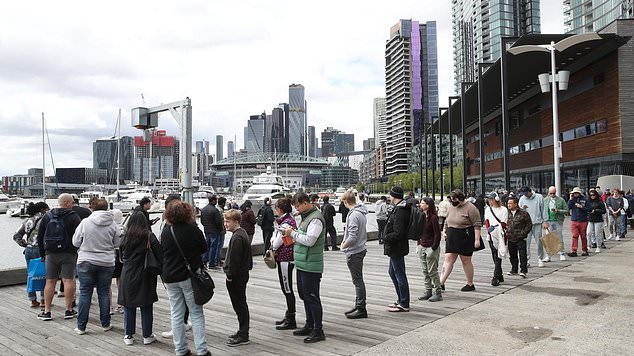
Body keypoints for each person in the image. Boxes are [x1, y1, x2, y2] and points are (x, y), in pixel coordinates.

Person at [161, 201, 210, 356]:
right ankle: (202, 350)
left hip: (169, 276)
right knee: (195, 312)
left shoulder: (166, 230)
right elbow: (204, 248)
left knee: (176, 313)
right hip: (188, 275)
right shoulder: (193, 229)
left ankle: (180, 349)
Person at [72, 198, 122, 334]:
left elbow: (75, 242)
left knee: (85, 293)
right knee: (104, 292)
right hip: (106, 261)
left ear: (92, 208)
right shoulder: (112, 224)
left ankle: (81, 326)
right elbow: (117, 244)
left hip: (86, 260)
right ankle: (105, 324)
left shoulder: (85, 222)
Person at [283, 192, 326, 343]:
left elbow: (310, 241)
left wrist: (292, 234)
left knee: (312, 297)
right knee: (304, 295)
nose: (297, 209)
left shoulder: (315, 219)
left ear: (306, 203)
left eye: (298, 206)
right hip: (302, 263)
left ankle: (318, 330)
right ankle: (309, 324)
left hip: (311, 265)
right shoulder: (306, 217)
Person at [118, 211, 162, 345]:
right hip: (145, 272)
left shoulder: (125, 237)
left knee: (129, 305)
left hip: (128, 273)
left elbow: (120, 257)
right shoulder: (149, 236)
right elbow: (160, 254)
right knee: (146, 304)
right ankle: (147, 335)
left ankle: (128, 335)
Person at [36, 193, 82, 321]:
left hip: (50, 253)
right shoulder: (73, 217)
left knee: (50, 281)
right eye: (72, 202)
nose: (73, 205)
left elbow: (40, 237)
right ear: (67, 203)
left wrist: (42, 253)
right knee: (68, 280)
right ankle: (68, 310)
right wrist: (77, 250)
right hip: (68, 253)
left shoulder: (47, 216)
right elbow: (79, 236)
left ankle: (47, 311)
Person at [440, 190, 482, 292]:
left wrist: (477, 240)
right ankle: (441, 282)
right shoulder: (451, 207)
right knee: (448, 258)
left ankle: (470, 283)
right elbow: (447, 220)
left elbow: (477, 224)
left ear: (460, 199)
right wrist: (445, 230)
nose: (452, 202)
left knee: (465, 260)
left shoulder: (471, 208)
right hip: (452, 235)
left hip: (465, 235)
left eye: (454, 200)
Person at [223, 209, 253, 347]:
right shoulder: (242, 234)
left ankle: (243, 334)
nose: (225, 224)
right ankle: (242, 330)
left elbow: (234, 260)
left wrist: (229, 276)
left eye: (228, 221)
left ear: (236, 222)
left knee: (239, 304)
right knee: (241, 304)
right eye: (225, 221)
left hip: (237, 276)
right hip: (242, 273)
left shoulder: (237, 237)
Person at [13, 201, 49, 308]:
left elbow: (16, 236)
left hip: (29, 250)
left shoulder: (27, 221)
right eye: (47, 209)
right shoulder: (45, 220)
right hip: (41, 250)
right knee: (44, 274)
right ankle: (43, 300)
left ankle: (33, 300)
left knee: (31, 274)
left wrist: (25, 244)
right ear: (43, 210)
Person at [341, 190, 369, 319]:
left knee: (357, 281)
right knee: (358, 280)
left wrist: (343, 245)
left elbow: (352, 236)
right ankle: (358, 305)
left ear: (346, 201)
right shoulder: (361, 212)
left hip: (355, 251)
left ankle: (361, 307)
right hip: (361, 248)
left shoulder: (353, 215)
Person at [271, 197, 298, 330]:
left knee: (287, 288)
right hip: (286, 258)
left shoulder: (286, 224)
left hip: (285, 259)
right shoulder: (288, 221)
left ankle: (291, 318)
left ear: (279, 209)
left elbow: (276, 243)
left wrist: (272, 245)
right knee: (286, 288)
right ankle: (289, 314)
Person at [383, 186, 411, 312]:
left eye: (390, 195)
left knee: (399, 274)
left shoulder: (400, 211)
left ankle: (404, 302)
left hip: (397, 247)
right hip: (396, 247)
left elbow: (399, 232)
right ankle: (401, 299)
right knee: (392, 272)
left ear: (393, 196)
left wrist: (386, 237)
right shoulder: (400, 208)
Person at [417, 197, 442, 302]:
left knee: (432, 271)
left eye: (423, 203)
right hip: (422, 246)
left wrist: (434, 247)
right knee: (425, 271)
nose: (420, 205)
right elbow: (418, 230)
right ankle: (428, 290)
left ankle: (438, 292)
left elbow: (437, 234)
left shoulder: (433, 218)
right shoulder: (421, 216)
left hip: (431, 247)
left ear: (428, 205)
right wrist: (419, 244)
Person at [518, 186, 548, 268]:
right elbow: (518, 211)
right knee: (526, 242)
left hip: (537, 223)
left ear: (529, 191)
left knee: (539, 242)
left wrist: (545, 221)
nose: (525, 195)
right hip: (525, 224)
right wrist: (522, 209)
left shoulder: (539, 197)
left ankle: (540, 258)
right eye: (523, 194)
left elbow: (543, 210)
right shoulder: (522, 199)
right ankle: (526, 260)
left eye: (526, 193)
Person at [484, 192, 508, 287]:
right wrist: (488, 229)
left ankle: (495, 277)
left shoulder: (504, 210)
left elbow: (504, 223)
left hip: (500, 235)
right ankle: (499, 274)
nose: (490, 201)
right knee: (494, 256)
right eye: (489, 199)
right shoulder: (488, 210)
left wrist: (496, 227)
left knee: (498, 256)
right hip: (491, 235)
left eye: (491, 199)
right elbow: (486, 221)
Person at [506, 196, 532, 278]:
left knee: (522, 254)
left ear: (516, 204)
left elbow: (529, 224)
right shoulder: (506, 212)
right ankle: (514, 269)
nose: (508, 205)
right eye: (508, 203)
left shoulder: (523, 213)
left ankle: (523, 270)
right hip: (510, 237)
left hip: (520, 237)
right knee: (512, 255)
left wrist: (524, 233)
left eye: (510, 203)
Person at [542, 186, 569, 261]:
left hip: (558, 220)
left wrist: (558, 211)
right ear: (548, 193)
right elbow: (543, 211)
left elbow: (566, 210)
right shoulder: (545, 200)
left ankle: (561, 253)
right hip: (548, 221)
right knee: (548, 238)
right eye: (551, 193)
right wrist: (544, 221)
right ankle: (548, 255)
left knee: (559, 237)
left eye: (554, 193)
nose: (552, 195)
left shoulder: (561, 200)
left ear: (556, 192)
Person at [200, 195, 224, 268]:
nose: (216, 202)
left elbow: (202, 221)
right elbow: (218, 222)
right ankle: (212, 263)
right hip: (215, 231)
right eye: (216, 200)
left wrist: (206, 227)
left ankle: (204, 261)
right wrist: (220, 229)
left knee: (207, 247)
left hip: (207, 230)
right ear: (213, 200)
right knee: (214, 247)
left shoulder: (203, 209)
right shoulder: (214, 210)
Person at [567, 187, 589, 257]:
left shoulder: (585, 199)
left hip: (583, 220)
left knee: (583, 236)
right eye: (574, 193)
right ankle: (574, 250)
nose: (575, 194)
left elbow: (589, 209)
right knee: (574, 235)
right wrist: (570, 199)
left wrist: (581, 207)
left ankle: (585, 250)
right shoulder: (572, 200)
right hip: (574, 220)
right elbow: (568, 207)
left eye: (576, 193)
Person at [586, 189, 606, 253]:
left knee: (597, 234)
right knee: (588, 233)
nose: (592, 196)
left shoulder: (600, 201)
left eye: (593, 195)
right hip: (590, 219)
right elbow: (586, 208)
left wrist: (596, 210)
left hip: (598, 219)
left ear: (596, 195)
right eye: (591, 195)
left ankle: (598, 246)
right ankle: (589, 245)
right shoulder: (588, 201)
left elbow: (604, 211)